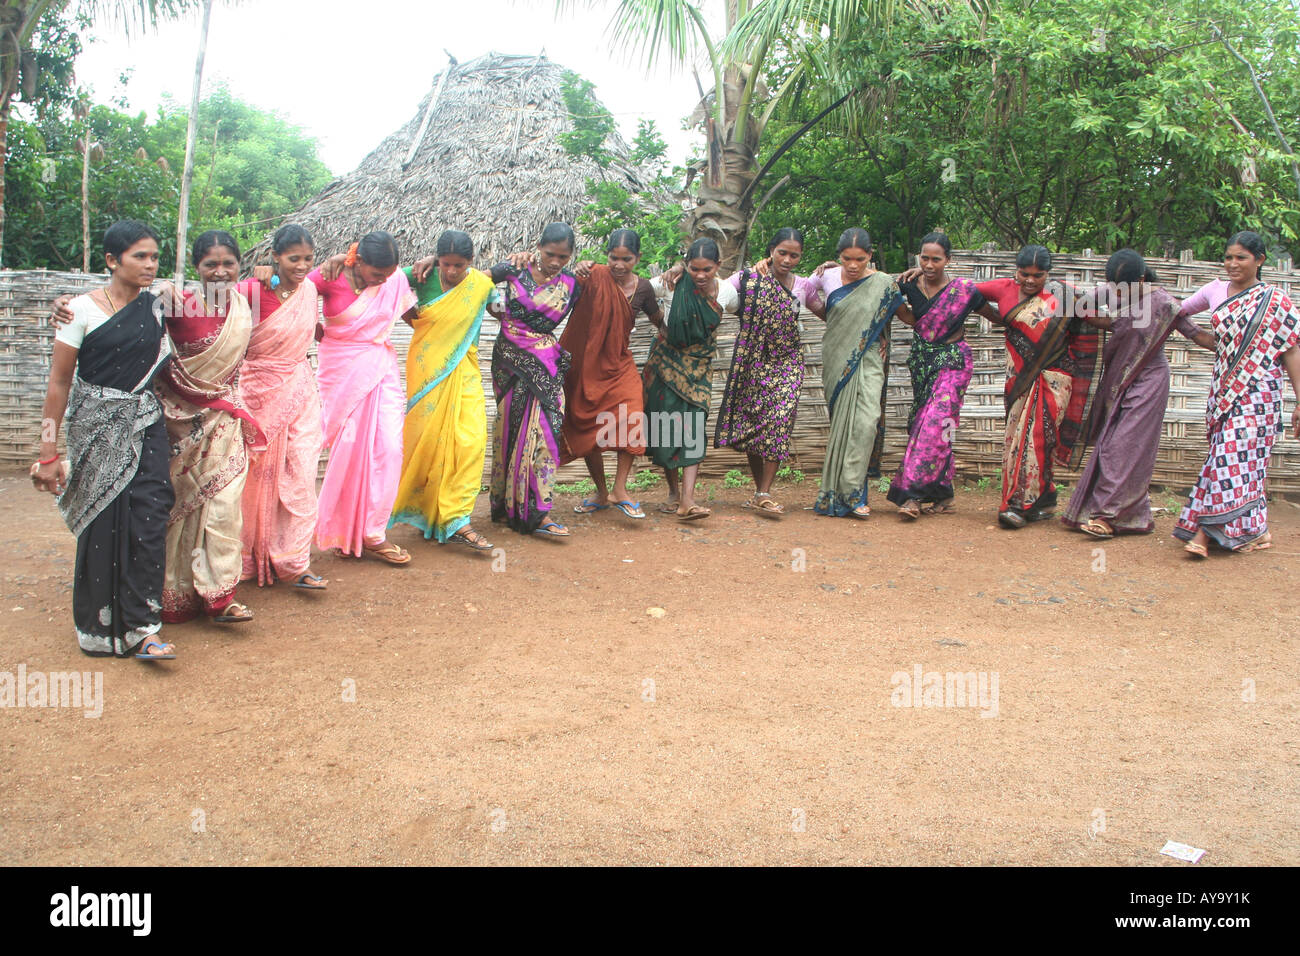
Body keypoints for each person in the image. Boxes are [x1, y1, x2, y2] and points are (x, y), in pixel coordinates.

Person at [34, 221, 176, 659]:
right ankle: (98, 626)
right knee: (102, 522)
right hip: (95, 430)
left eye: (154, 256)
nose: (150, 264)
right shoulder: (78, 310)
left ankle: (144, 626)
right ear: (112, 261)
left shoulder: (159, 306)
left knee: (151, 514)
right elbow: (58, 384)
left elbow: (225, 292)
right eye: (140, 256)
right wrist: (47, 452)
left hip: (145, 423)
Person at [1061, 250, 1215, 537]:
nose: (1117, 292)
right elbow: (1084, 307)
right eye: (1113, 286)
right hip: (1118, 379)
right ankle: (1131, 516)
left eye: (1123, 287)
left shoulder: (1163, 303)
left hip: (1149, 381)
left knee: (1124, 446)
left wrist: (1242, 347)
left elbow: (1197, 335)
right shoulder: (1113, 291)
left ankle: (1106, 517)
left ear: (1141, 279)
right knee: (1110, 445)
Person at [156, 231, 263, 623]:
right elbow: (118, 311)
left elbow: (301, 281)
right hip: (179, 426)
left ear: (240, 265)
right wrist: (66, 306)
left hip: (227, 422)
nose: (220, 272)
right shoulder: (172, 302)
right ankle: (175, 595)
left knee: (223, 507)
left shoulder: (247, 301)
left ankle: (221, 596)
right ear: (197, 267)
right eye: (210, 265)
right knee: (179, 509)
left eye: (228, 264)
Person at [1173, 231, 1300, 556]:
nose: (1232, 264)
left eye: (1240, 258)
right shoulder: (1214, 290)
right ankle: (1256, 531)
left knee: (1231, 458)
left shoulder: (1276, 301)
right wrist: (1202, 338)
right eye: (1228, 257)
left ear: (1259, 260)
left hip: (1261, 393)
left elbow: (1291, 353)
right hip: (1224, 390)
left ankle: (1202, 535)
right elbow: (1176, 312)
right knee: (1234, 461)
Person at [975, 245, 1102, 529]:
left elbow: (1099, 318)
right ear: (1015, 271)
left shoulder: (1066, 295)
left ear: (1048, 274)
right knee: (1017, 439)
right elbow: (961, 291)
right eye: (1025, 274)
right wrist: (993, 316)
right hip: (1017, 378)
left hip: (1055, 377)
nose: (1031, 281)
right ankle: (1045, 497)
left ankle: (1019, 504)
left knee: (1038, 438)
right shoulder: (1003, 289)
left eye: (1038, 275)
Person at [311, 231, 417, 564]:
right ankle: (345, 534)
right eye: (376, 275)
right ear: (358, 262)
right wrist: (307, 323)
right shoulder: (330, 276)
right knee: (349, 452)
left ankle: (373, 533)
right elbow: (287, 290)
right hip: (342, 372)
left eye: (389, 275)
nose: (383, 281)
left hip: (379, 366)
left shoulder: (394, 278)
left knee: (388, 448)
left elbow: (413, 301)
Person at [389, 229, 498, 551]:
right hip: (427, 368)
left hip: (465, 368)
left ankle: (457, 517)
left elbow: (502, 309)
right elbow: (384, 279)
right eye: (446, 264)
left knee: (471, 440)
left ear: (471, 262)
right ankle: (434, 514)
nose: (452, 271)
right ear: (437, 259)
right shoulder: (420, 276)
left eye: (459, 265)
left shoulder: (479, 283)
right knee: (429, 441)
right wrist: (418, 320)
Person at [238, 223, 328, 589]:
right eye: (293, 258)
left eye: (308, 258)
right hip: (257, 391)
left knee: (302, 474)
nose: (302, 265)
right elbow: (202, 309)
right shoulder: (251, 291)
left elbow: (369, 273)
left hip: (300, 390)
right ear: (275, 257)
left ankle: (294, 560)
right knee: (256, 478)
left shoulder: (310, 290)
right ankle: (249, 557)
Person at [714, 227, 818, 516]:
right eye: (782, 252)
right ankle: (759, 491)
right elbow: (719, 290)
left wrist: (830, 270)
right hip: (753, 360)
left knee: (779, 422)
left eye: (794, 255)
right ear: (771, 250)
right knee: (754, 422)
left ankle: (764, 491)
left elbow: (828, 309)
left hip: (788, 360)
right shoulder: (748, 278)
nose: (787, 259)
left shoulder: (803, 286)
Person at [487, 222, 582, 537]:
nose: (555, 262)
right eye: (550, 254)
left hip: (546, 363)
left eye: (563, 257)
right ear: (538, 247)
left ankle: (538, 511)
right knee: (509, 429)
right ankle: (505, 507)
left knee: (547, 431)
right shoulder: (511, 270)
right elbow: (477, 286)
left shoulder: (572, 283)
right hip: (510, 362)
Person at [563, 229, 664, 520]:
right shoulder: (592, 276)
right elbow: (559, 297)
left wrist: (676, 338)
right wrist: (578, 269)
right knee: (588, 425)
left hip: (619, 364)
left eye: (626, 259)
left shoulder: (643, 288)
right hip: (586, 366)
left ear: (638, 258)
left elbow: (658, 319)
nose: (619, 265)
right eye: (613, 258)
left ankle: (621, 489)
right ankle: (601, 492)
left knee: (632, 414)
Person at [801, 228, 901, 518]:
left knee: (867, 421)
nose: (853, 265)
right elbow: (799, 291)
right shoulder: (826, 276)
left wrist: (876, 334)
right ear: (838, 257)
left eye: (859, 259)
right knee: (842, 426)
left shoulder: (883, 282)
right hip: (836, 355)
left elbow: (900, 311)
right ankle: (848, 497)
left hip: (868, 357)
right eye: (846, 259)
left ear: (870, 256)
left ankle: (851, 490)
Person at [887, 233, 986, 517]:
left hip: (954, 361)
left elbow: (996, 312)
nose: (929, 264)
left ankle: (912, 496)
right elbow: (905, 315)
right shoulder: (906, 283)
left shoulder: (964, 290)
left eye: (936, 259)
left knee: (934, 423)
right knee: (931, 426)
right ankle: (943, 494)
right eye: (925, 258)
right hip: (923, 362)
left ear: (948, 260)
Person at [643, 237, 739, 520]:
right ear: (686, 265)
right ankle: (673, 493)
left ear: (718, 266)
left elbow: (742, 309)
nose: (700, 275)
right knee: (665, 428)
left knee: (694, 427)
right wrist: (659, 321)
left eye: (706, 269)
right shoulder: (670, 283)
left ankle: (688, 499)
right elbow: (641, 291)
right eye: (694, 268)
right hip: (665, 365)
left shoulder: (727, 292)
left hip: (699, 367)